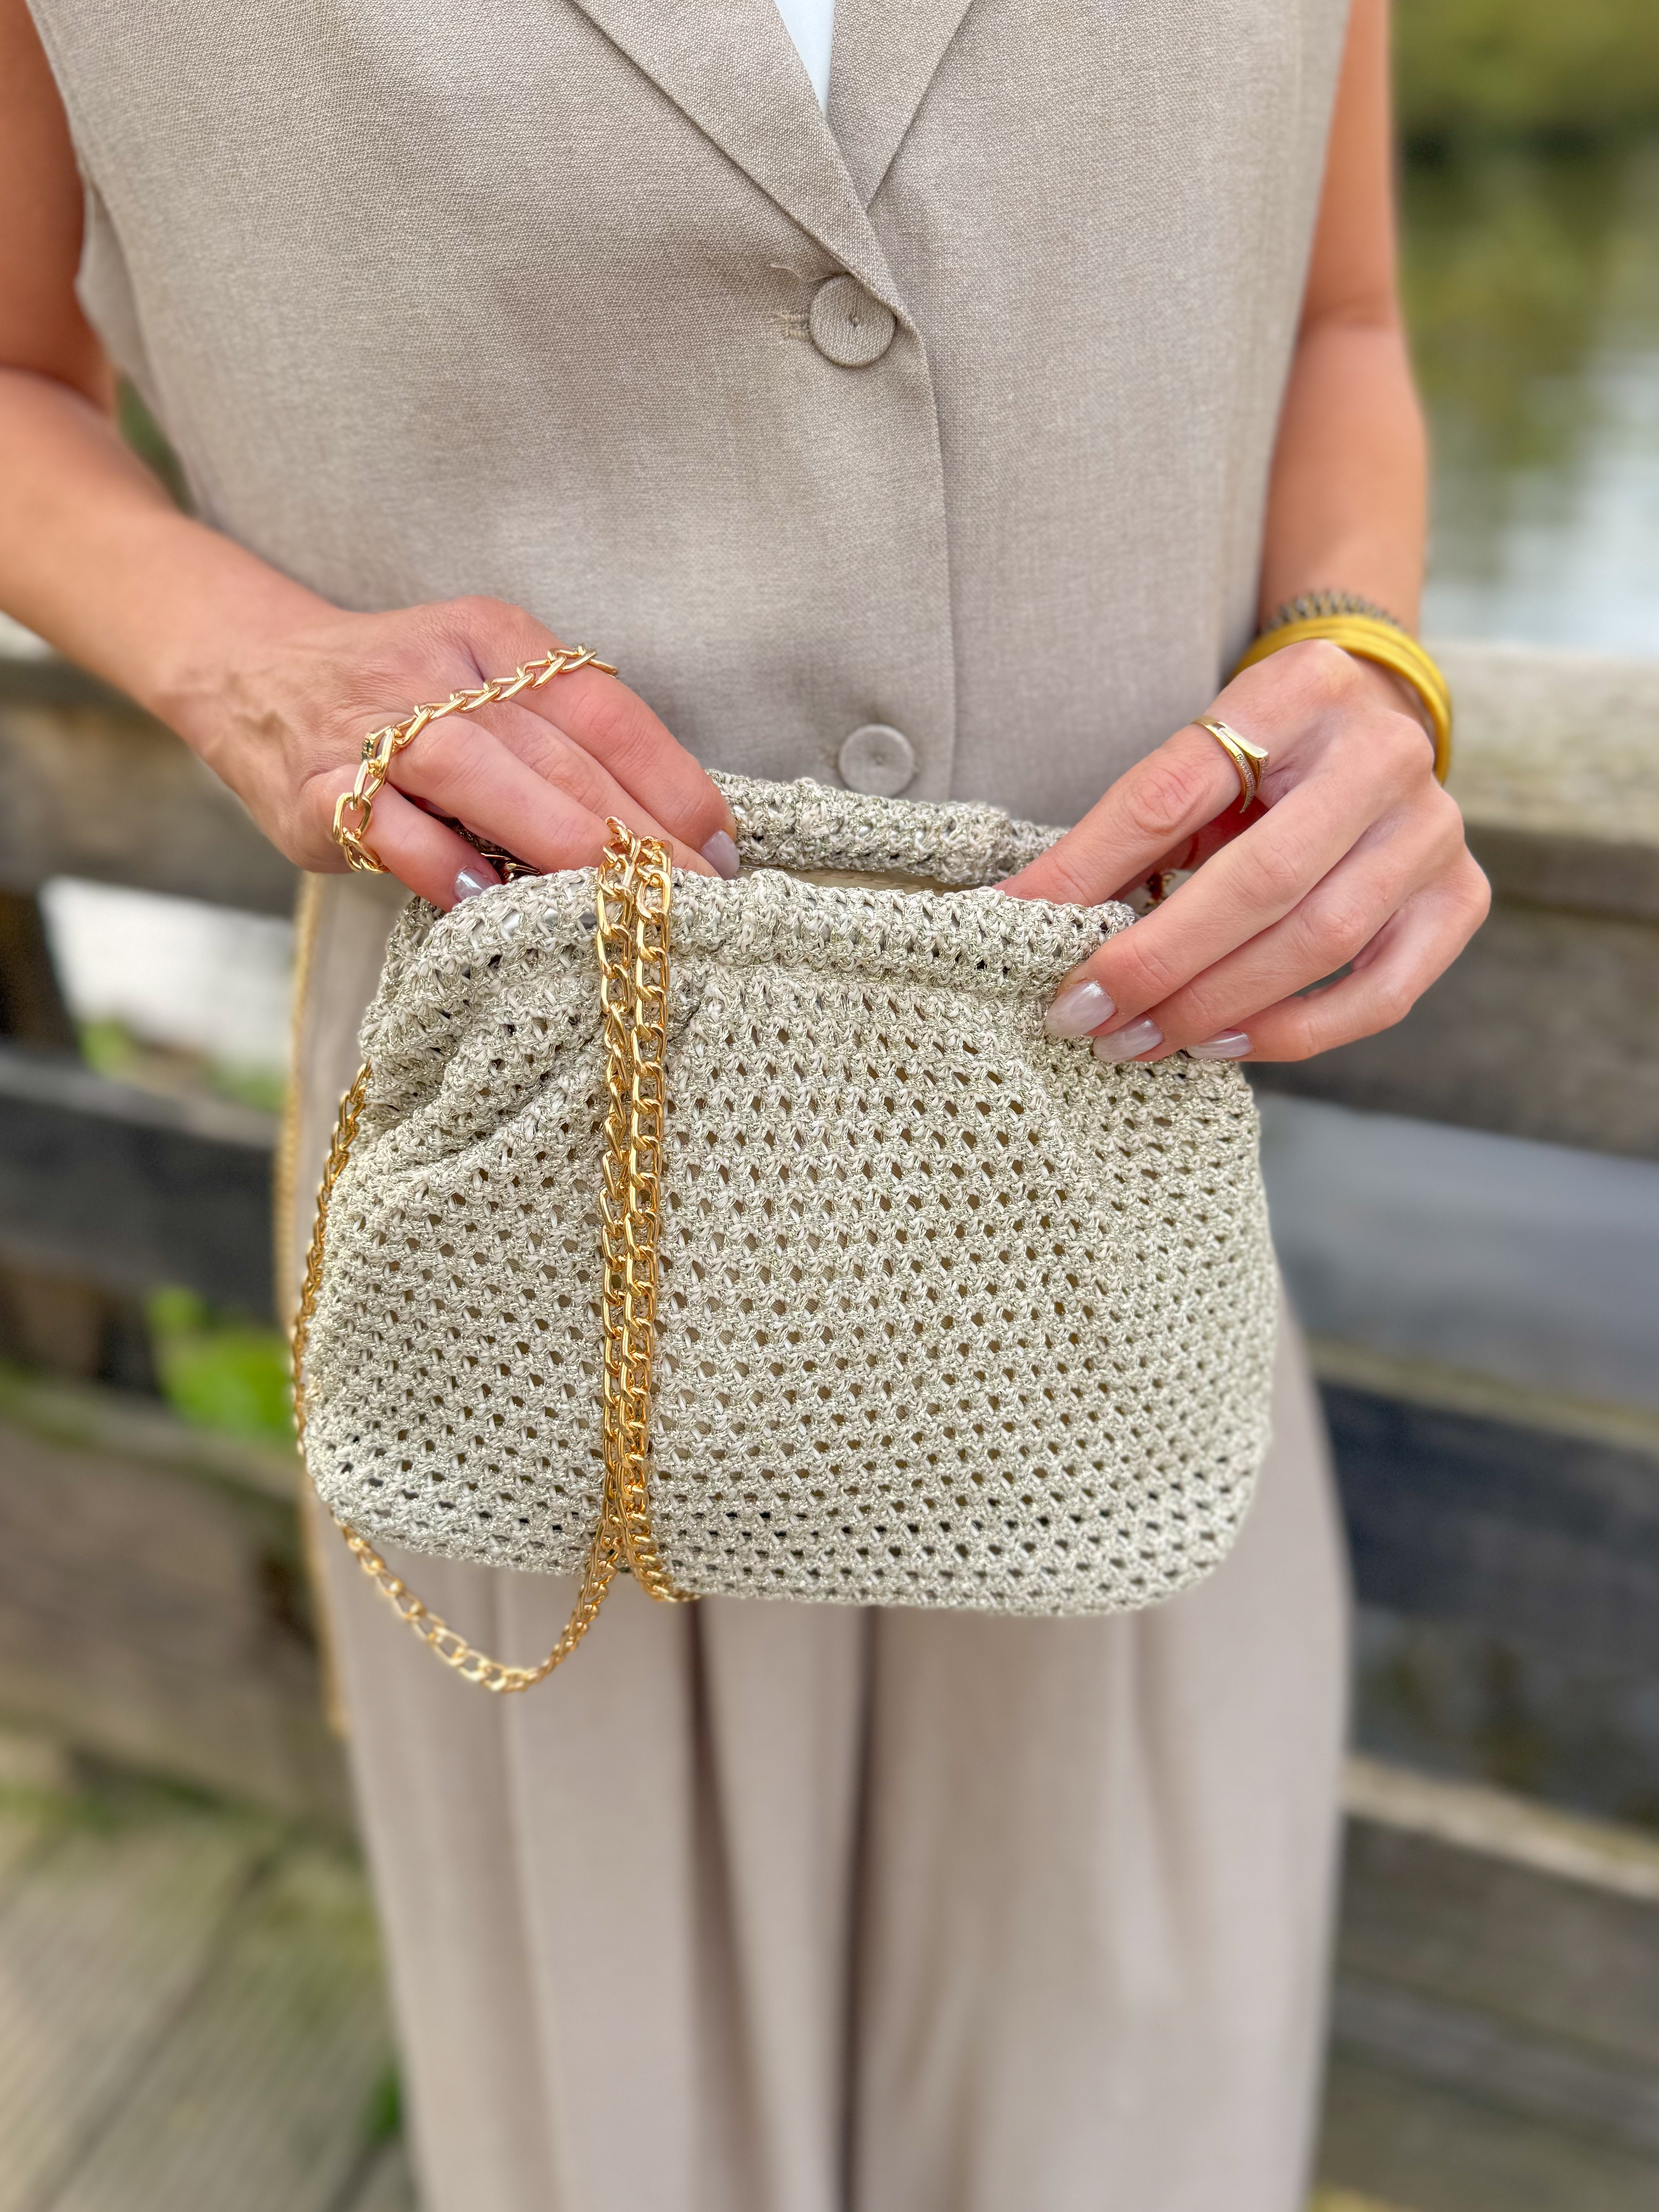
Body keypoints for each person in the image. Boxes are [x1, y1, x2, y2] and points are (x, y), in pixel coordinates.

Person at [0, 0, 1488, 2205]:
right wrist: (237, 659)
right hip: (524, 1279)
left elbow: (1342, 320)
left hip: (1111, 1248)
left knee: (1127, 2120)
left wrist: (1361, 654)